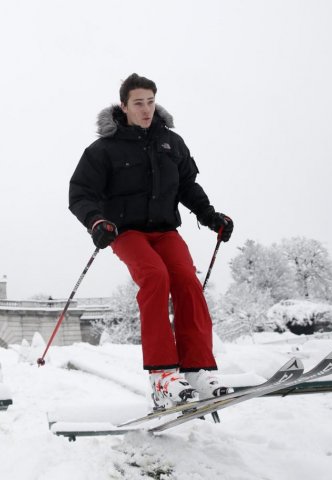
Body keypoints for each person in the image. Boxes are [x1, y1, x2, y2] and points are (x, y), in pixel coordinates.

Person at [68, 73, 234, 410]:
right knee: (155, 276)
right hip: (126, 231)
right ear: (124, 106)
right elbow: (81, 193)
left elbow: (187, 186)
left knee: (187, 280)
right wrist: (97, 221)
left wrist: (209, 215)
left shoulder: (171, 143)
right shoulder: (103, 149)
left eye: (150, 102)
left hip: (164, 230)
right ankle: (162, 376)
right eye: (138, 103)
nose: (146, 109)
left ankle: (197, 369)